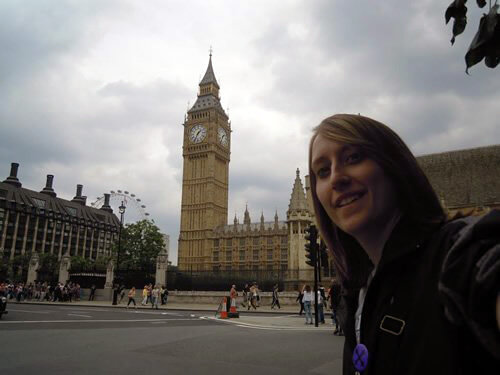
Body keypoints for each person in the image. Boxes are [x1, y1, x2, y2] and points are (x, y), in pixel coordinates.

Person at [308, 113, 500, 374]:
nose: (336, 177)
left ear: (394, 164)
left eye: (353, 157)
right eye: (322, 171)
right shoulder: (360, 292)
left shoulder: (457, 255)